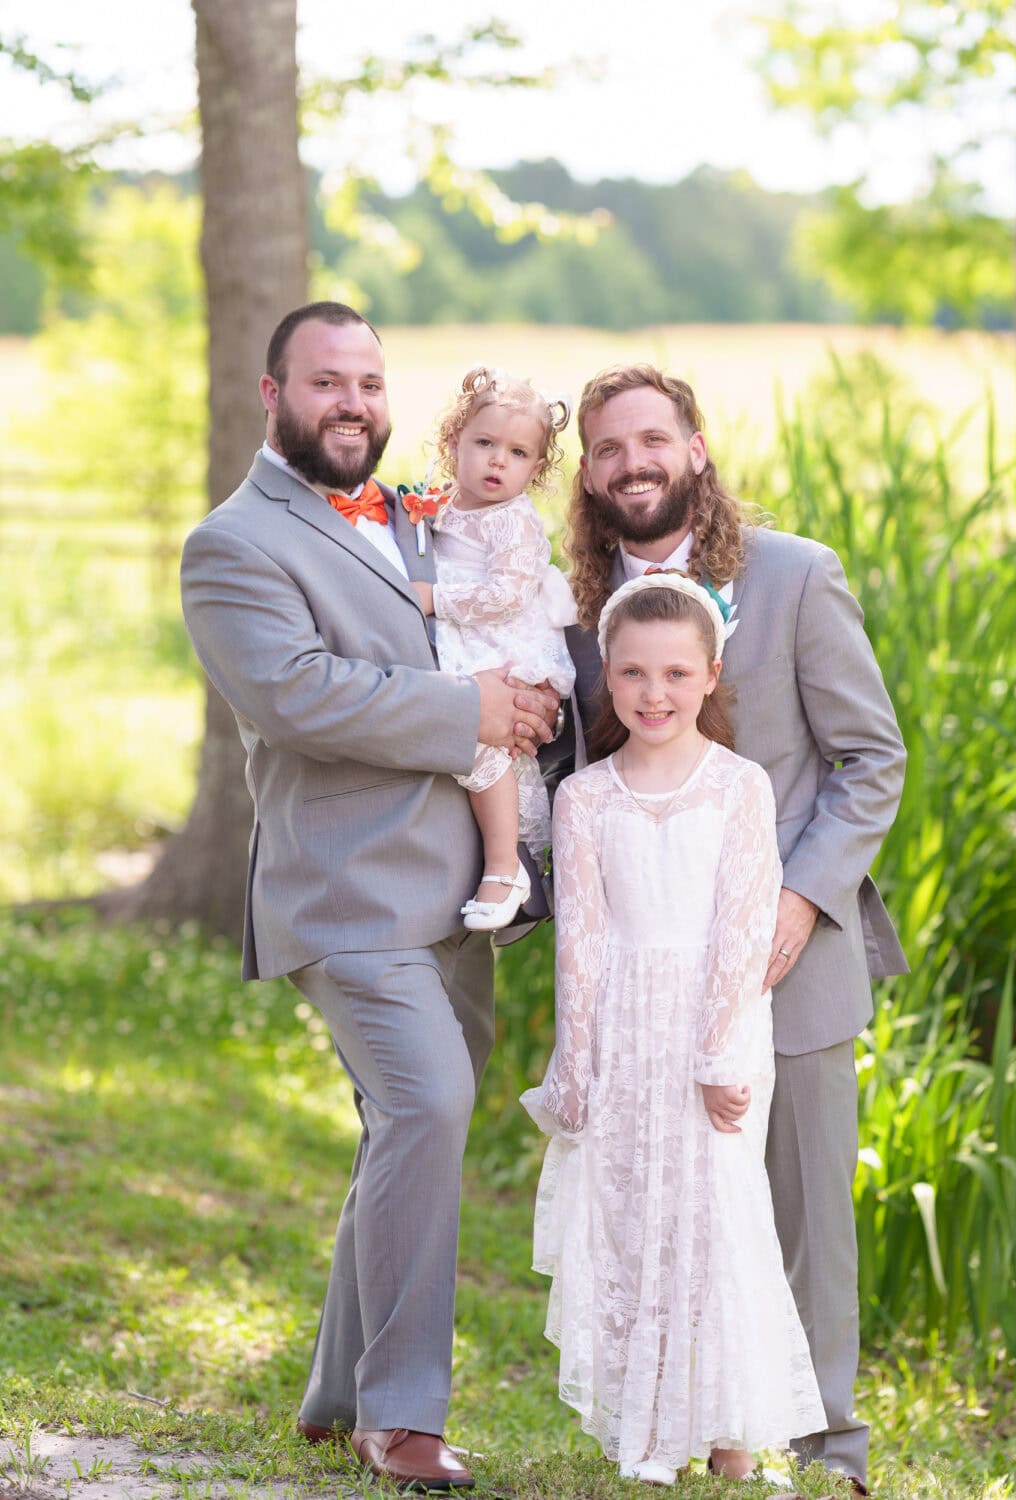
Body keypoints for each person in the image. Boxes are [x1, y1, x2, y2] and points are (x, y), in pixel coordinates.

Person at [179, 301, 556, 1494]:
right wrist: (476, 714)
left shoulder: (414, 517)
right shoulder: (234, 543)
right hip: (343, 899)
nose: (353, 403)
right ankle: (399, 1416)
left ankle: (336, 1389)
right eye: (328, 381)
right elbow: (296, 694)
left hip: (456, 897)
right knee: (430, 1102)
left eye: (371, 384)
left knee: (407, 1125)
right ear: (272, 392)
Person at [563, 365, 908, 1494]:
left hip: (788, 958)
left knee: (805, 1208)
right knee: (675, 1204)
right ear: (589, 472)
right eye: (608, 448)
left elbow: (870, 761)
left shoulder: (797, 576)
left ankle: (832, 1447)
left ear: (695, 449)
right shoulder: (575, 614)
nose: (633, 464)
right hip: (649, 977)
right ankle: (698, 1423)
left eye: (652, 440)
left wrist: (800, 899)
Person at [523, 574, 826, 1484]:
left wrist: (717, 1053)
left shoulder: (738, 787)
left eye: (674, 674)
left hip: (714, 1027)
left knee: (716, 1218)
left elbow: (740, 929)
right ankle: (648, 1428)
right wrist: (574, 1065)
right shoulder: (585, 799)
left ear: (710, 674)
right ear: (607, 681)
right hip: (621, 1032)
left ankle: (732, 1432)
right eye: (632, 675)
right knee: (630, 1212)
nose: (653, 695)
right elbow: (580, 942)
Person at [409, 366, 576, 932]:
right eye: (484, 444)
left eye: (518, 452)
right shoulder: (441, 501)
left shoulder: (513, 521)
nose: (497, 461)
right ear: (454, 442)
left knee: (487, 743)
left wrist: (437, 599)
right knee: (458, 738)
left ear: (536, 467)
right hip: (464, 638)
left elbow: (507, 593)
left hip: (502, 642)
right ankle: (483, 859)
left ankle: (506, 867)